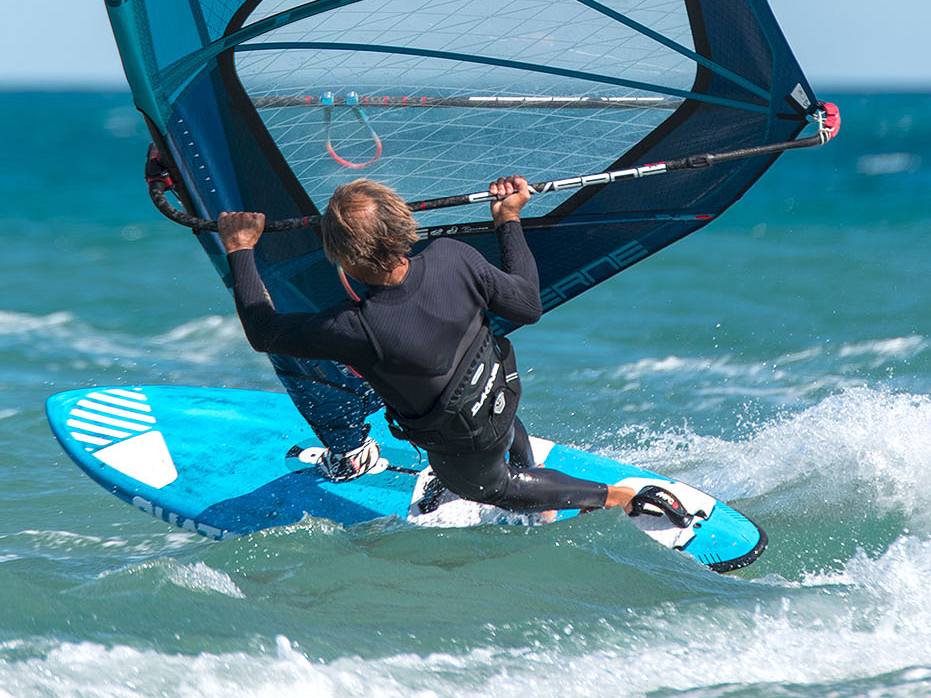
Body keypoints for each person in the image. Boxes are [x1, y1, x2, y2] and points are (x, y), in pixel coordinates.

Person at [217, 172, 669, 519]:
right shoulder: (453, 255)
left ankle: (615, 497)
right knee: (479, 398)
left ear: (344, 260)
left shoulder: (353, 328)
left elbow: (263, 332)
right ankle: (534, 481)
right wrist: (507, 219)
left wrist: (239, 249)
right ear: (403, 223)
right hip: (502, 390)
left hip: (464, 446)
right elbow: (528, 306)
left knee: (492, 488)